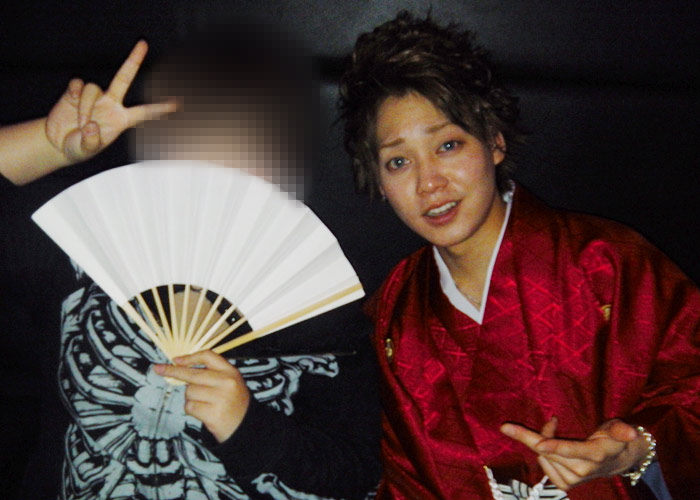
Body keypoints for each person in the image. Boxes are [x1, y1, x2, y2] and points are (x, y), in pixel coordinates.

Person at [5, 25, 380, 500]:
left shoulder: (316, 305)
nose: (213, 183)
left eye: (243, 158)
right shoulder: (83, 257)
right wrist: (48, 145)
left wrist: (251, 427)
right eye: (191, 152)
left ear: (279, 177)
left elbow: (360, 474)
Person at [338, 11, 699, 500]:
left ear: (495, 142)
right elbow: (406, 480)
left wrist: (635, 449)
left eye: (448, 144)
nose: (429, 183)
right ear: (380, 183)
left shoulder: (609, 264)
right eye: (398, 161)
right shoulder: (395, 314)